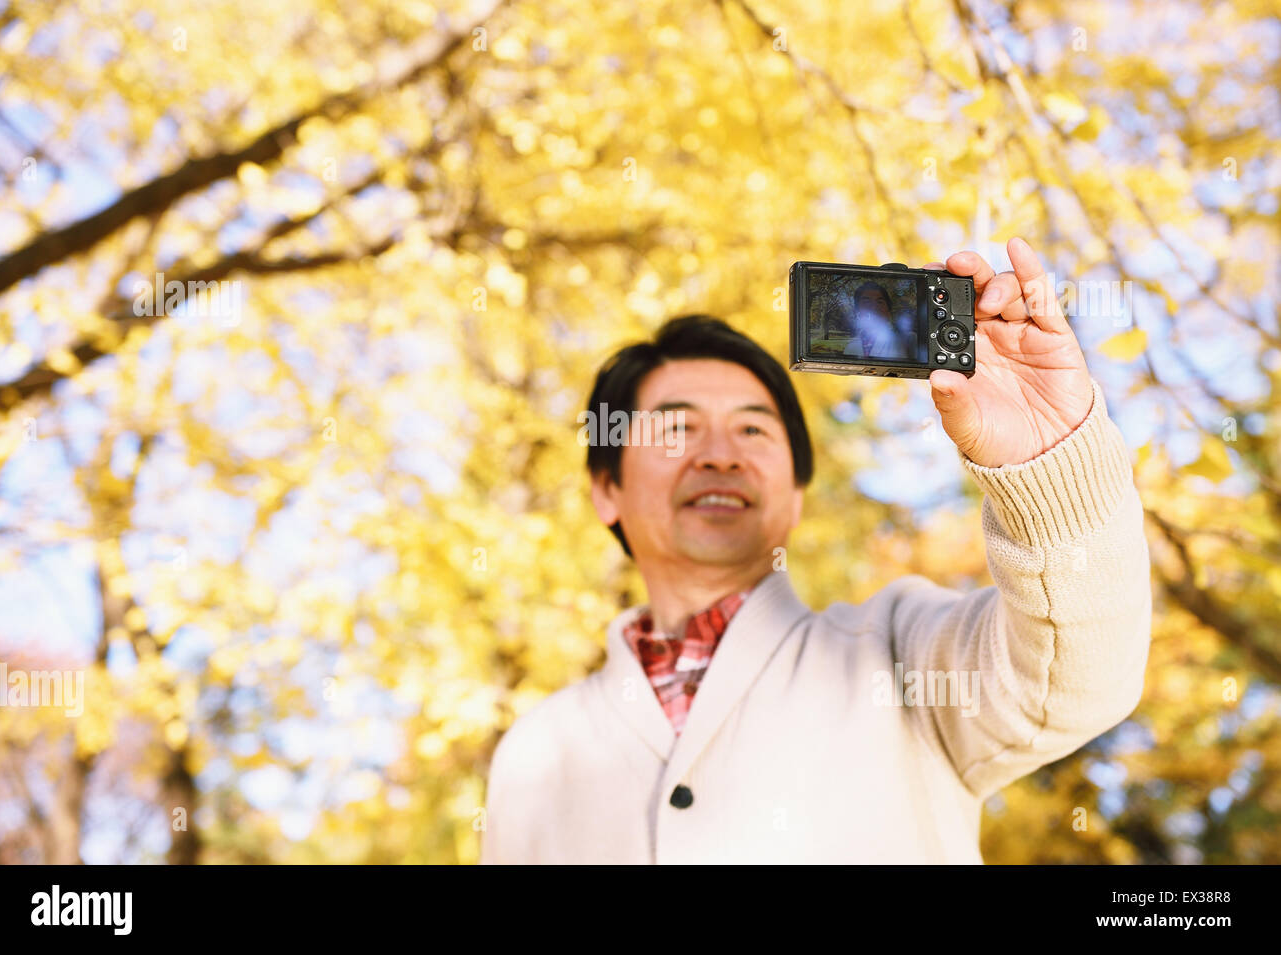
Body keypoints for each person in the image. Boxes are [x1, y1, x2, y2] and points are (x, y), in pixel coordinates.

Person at [480, 238, 1151, 864]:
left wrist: (1051, 462)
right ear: (607, 490)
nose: (719, 455)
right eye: (678, 428)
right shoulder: (534, 753)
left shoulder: (902, 655)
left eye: (752, 429)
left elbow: (1079, 679)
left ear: (796, 493)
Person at [849, 280, 910, 360]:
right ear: (856, 311)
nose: (874, 307)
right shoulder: (850, 347)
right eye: (866, 302)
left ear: (888, 313)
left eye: (880, 302)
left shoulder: (905, 341)